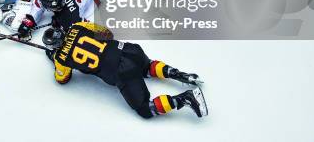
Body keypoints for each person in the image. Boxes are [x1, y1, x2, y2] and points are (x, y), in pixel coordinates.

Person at [46, 21, 208, 119]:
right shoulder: (77, 26)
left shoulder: (61, 59)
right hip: (129, 50)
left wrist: (55, 57)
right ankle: (182, 75)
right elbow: (107, 33)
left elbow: (62, 79)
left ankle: (185, 98)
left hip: (122, 71)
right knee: (148, 66)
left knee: (145, 109)